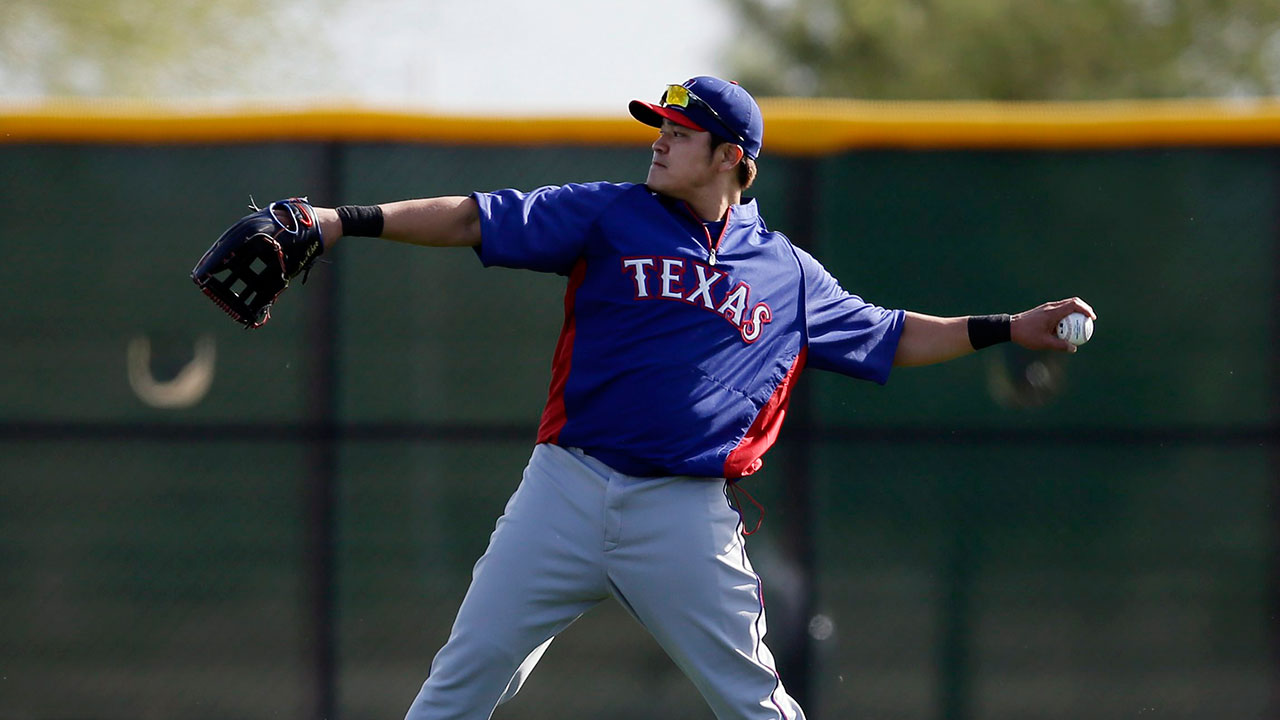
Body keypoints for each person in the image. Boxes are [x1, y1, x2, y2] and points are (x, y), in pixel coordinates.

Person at [311, 76, 1095, 720]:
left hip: (682, 514)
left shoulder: (786, 273)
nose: (659, 140)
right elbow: (473, 219)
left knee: (754, 705)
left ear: (731, 157)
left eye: (679, 133)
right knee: (462, 682)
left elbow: (890, 335)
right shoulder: (611, 213)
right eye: (660, 127)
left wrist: (1006, 328)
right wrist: (342, 220)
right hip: (565, 488)